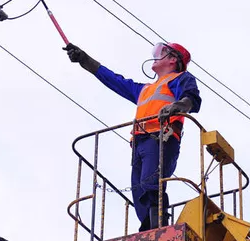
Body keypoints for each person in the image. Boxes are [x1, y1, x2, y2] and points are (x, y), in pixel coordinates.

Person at [63, 42, 202, 231]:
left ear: (172, 59)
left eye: (163, 52)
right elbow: (114, 80)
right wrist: (84, 59)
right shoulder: (144, 89)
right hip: (140, 143)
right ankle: (148, 228)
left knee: (150, 183)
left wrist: (178, 106)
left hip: (161, 138)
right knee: (138, 189)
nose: (157, 55)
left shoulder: (180, 78)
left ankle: (157, 226)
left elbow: (191, 98)